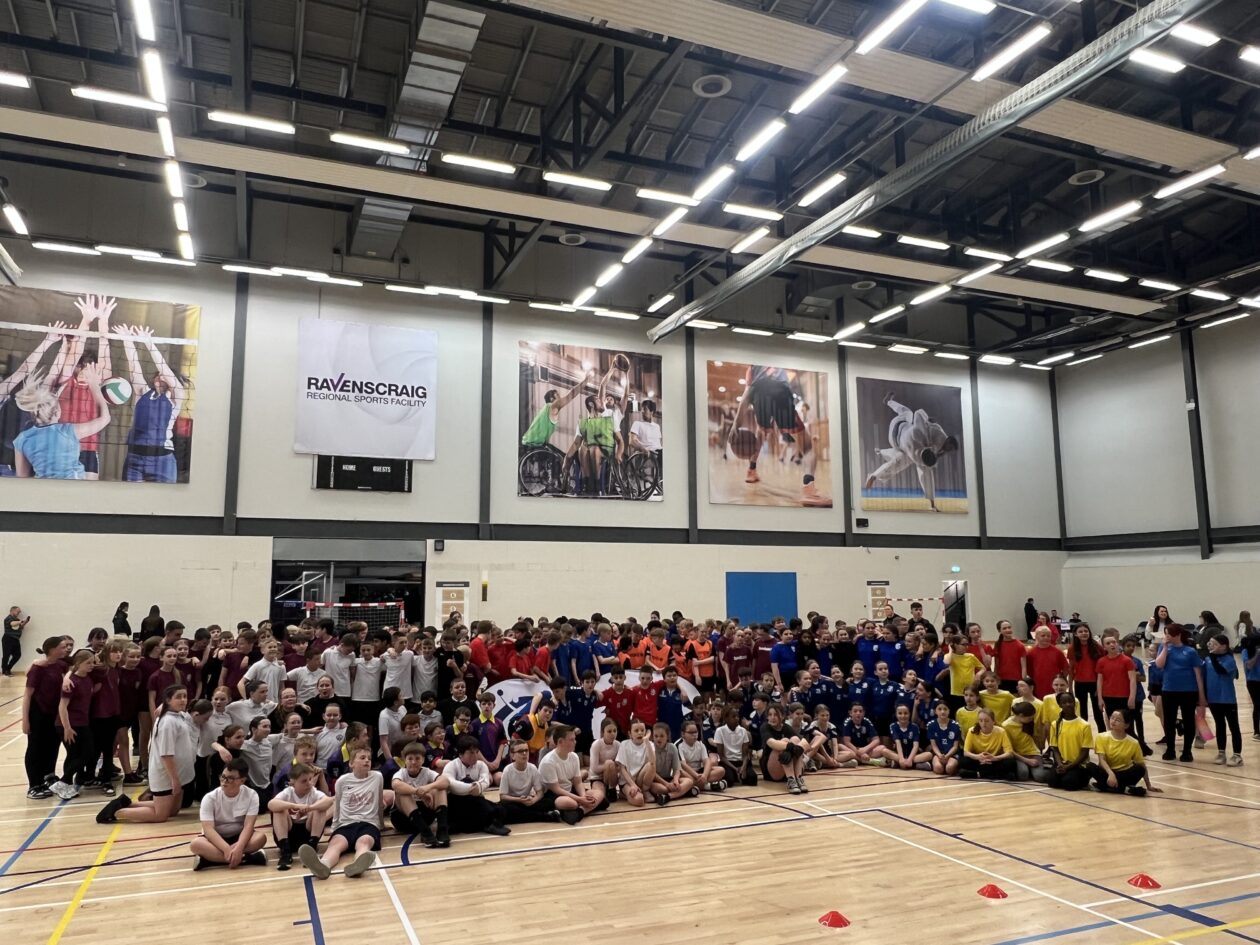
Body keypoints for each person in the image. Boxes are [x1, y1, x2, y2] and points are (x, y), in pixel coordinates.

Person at [725, 363, 829, 507]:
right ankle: (809, 491)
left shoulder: (753, 367)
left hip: (758, 394)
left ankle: (751, 471)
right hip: (780, 392)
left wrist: (736, 424)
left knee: (761, 431)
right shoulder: (778, 364)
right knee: (807, 446)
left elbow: (747, 393)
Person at [98, 684, 198, 824]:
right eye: (178, 697)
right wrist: (175, 780)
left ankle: (126, 803)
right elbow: (166, 755)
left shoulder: (179, 715)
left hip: (178, 773)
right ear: (168, 700)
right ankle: (116, 812)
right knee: (160, 816)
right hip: (166, 776)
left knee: (173, 811)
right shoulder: (167, 723)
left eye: (185, 696)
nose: (183, 700)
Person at [299, 747, 388, 879]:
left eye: (369, 759)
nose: (367, 761)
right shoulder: (342, 780)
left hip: (368, 823)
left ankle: (358, 864)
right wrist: (334, 827)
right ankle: (323, 865)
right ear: (351, 763)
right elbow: (337, 804)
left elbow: (379, 800)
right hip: (345, 823)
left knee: (364, 842)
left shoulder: (377, 777)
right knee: (336, 844)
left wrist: (381, 824)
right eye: (362, 758)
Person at [863, 392, 959, 512]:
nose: (947, 451)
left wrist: (928, 420)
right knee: (903, 463)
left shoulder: (939, 436)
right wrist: (926, 420)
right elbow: (919, 413)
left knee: (908, 413)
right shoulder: (920, 446)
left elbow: (921, 415)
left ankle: (888, 401)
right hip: (897, 432)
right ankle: (874, 474)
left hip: (903, 431)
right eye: (949, 448)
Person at [13, 363, 112, 478]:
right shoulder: (68, 431)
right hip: (73, 487)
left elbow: (22, 477)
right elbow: (105, 418)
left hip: (44, 488)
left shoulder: (22, 439)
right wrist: (94, 384)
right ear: (57, 412)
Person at [118, 324, 186, 482]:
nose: (160, 376)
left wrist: (148, 342)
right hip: (135, 457)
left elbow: (163, 368)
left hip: (162, 459)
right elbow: (134, 366)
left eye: (164, 376)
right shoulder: (144, 393)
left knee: (162, 498)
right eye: (158, 375)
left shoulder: (176, 396)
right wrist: (127, 339)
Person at [190, 758, 268, 870]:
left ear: (242, 781)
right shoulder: (209, 798)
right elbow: (208, 829)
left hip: (239, 836)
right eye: (223, 777)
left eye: (230, 778)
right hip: (216, 839)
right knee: (195, 844)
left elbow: (249, 826)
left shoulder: (251, 795)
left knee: (261, 838)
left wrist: (239, 847)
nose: (224, 781)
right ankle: (248, 858)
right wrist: (226, 849)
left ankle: (209, 860)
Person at [1154, 624, 1207, 763]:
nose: (1166, 636)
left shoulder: (1190, 651)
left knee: (1188, 720)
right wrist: (1165, 647)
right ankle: (1170, 749)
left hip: (1188, 691)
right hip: (1169, 690)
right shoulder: (1164, 648)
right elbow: (1159, 665)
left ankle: (1187, 751)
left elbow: (1198, 675)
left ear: (1177, 635)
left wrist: (1201, 695)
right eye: (1165, 634)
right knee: (1169, 721)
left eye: (1169, 634)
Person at [269, 762, 334, 870]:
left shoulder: (313, 792)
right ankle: (285, 852)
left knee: (319, 808)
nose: (309, 783)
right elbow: (271, 804)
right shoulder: (288, 792)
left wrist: (310, 808)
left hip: (307, 835)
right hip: (289, 835)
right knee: (279, 810)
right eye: (304, 781)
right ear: (292, 782)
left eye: (310, 779)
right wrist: (295, 806)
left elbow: (329, 801)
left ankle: (311, 849)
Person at [52, 650, 99, 799]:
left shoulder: (87, 678)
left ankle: (65, 784)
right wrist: (67, 728)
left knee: (80, 754)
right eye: (88, 663)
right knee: (81, 754)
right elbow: (62, 706)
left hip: (82, 722)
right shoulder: (71, 682)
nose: (92, 665)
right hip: (69, 724)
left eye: (93, 662)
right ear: (78, 663)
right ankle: (63, 783)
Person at [443, 735, 510, 836]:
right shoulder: (451, 765)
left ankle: (482, 824)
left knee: (501, 810)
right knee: (469, 787)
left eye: (476, 752)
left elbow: (485, 781)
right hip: (457, 802)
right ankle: (488, 824)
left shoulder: (481, 765)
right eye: (471, 753)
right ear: (460, 754)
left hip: (475, 799)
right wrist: (472, 787)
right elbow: (451, 783)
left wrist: (478, 787)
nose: (475, 756)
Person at [389, 742, 450, 846]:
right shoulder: (401, 773)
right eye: (410, 759)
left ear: (423, 760)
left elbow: (445, 782)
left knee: (440, 788)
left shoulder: (427, 772)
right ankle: (425, 833)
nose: (413, 762)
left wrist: (427, 788)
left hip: (425, 816)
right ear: (404, 760)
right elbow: (395, 785)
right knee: (403, 793)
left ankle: (442, 830)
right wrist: (418, 792)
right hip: (403, 819)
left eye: (417, 758)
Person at [541, 724, 604, 820]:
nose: (575, 742)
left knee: (599, 793)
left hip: (570, 790)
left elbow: (578, 782)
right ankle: (580, 808)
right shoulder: (548, 762)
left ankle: (579, 812)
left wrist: (583, 797)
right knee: (571, 803)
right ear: (560, 742)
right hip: (553, 795)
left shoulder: (574, 757)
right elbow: (557, 789)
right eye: (572, 740)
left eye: (575, 739)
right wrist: (580, 799)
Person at [1093, 711, 1160, 796]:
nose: (1113, 721)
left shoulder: (1134, 743)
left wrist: (1149, 785)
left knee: (1140, 769)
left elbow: (1142, 765)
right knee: (1090, 766)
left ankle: (1106, 787)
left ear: (1126, 725)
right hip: (1107, 773)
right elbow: (1101, 760)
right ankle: (1124, 788)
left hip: (1124, 774)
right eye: (1112, 718)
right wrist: (1111, 774)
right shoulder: (1100, 737)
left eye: (1118, 720)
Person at [1203, 633, 1243, 767]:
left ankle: (1237, 755)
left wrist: (1212, 657)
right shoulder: (1208, 659)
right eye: (1210, 643)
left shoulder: (1229, 659)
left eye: (1215, 644)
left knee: (1233, 726)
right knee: (1219, 725)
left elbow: (1221, 671)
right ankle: (1221, 752)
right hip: (1213, 698)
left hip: (1227, 699)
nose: (1211, 646)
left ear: (1224, 646)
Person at [1046, 692, 1096, 791]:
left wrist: (1068, 767)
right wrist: (1060, 764)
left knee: (1069, 783)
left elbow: (1085, 752)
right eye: (1064, 702)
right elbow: (1055, 748)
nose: (1068, 704)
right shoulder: (1055, 724)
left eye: (1070, 701)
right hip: (1063, 763)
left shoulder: (1084, 725)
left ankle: (1085, 776)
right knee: (1052, 782)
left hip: (1078, 764)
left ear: (1074, 703)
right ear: (1060, 705)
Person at [960, 707, 1015, 780]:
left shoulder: (1001, 731)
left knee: (1010, 762)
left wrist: (995, 758)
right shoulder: (971, 731)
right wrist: (978, 757)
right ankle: (997, 774)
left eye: (986, 721)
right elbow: (966, 752)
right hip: (979, 761)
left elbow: (1009, 753)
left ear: (993, 721)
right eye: (981, 721)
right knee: (963, 761)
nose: (983, 723)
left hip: (994, 761)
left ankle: (978, 774)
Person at [1067, 623, 1104, 731]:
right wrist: (1070, 687)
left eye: (1086, 631)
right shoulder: (1072, 648)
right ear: (1075, 634)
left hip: (1095, 683)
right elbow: (1071, 669)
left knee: (1098, 712)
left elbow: (1102, 668)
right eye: (1080, 631)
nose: (1084, 633)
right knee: (1082, 712)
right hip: (1080, 684)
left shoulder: (1097, 647)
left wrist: (1101, 687)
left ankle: (1102, 735)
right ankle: (1084, 735)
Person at [1027, 627, 1069, 698]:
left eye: (1048, 636)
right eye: (1043, 635)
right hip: (1038, 685)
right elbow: (1029, 670)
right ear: (1036, 637)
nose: (1046, 638)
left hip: (1054, 687)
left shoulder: (1057, 652)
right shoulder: (1031, 653)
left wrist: (1060, 680)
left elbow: (1066, 668)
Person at [926, 700, 961, 776]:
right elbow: (934, 745)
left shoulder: (955, 725)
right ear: (935, 711)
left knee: (949, 769)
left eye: (945, 709)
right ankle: (931, 764)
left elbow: (955, 746)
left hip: (952, 754)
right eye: (939, 709)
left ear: (949, 711)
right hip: (938, 754)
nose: (942, 712)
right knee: (938, 769)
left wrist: (947, 755)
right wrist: (939, 755)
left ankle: (956, 766)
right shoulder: (931, 725)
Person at [3, 605, 30, 676]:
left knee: (17, 655)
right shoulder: (8, 618)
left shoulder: (17, 619)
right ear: (12, 610)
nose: (19, 613)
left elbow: (20, 627)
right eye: (18, 611)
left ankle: (8, 669)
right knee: (6, 655)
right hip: (8, 639)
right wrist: (21, 621)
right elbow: (12, 624)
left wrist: (25, 622)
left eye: (19, 612)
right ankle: (4, 671)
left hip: (15, 639)